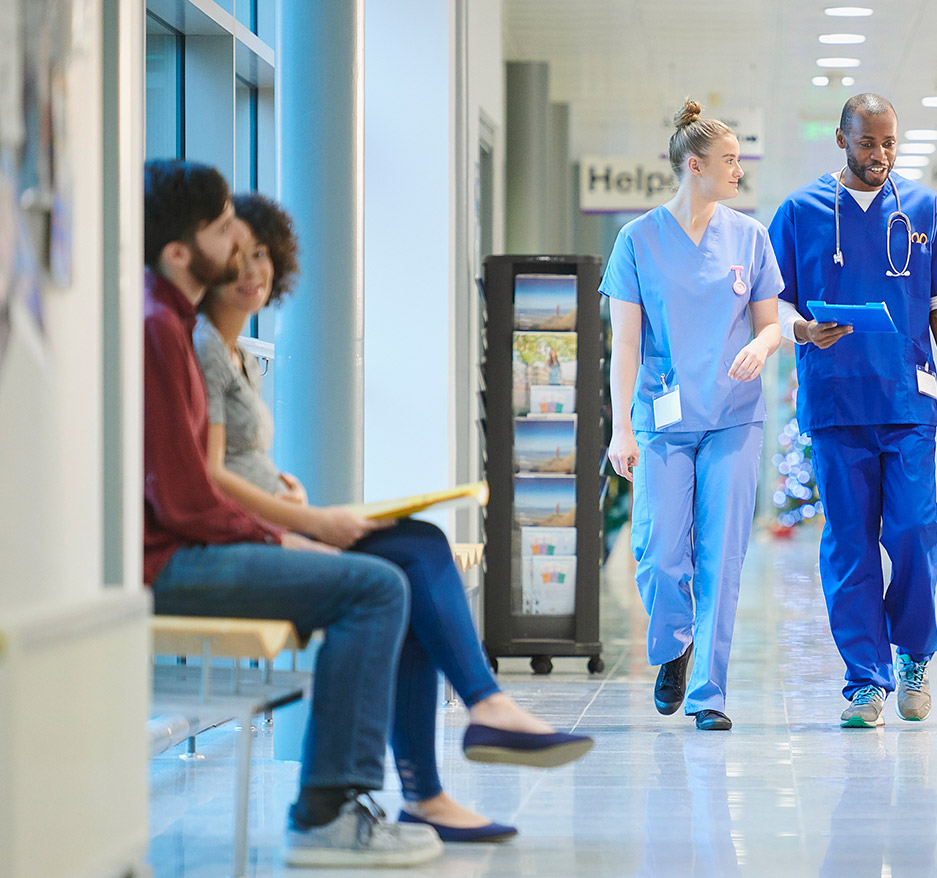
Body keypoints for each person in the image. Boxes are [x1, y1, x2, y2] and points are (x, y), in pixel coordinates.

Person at [193, 192, 594, 843]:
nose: (253, 271)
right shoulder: (207, 348)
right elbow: (206, 476)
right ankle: (470, 730)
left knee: (421, 547)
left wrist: (283, 484)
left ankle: (438, 781)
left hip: (277, 525)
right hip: (260, 543)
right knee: (410, 560)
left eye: (263, 256)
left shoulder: (238, 353)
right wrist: (306, 523)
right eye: (237, 258)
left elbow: (231, 462)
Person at [141, 159, 441, 868]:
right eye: (222, 231)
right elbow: (184, 498)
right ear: (181, 253)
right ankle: (328, 814)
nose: (239, 245)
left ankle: (348, 801)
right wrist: (282, 537)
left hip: (186, 550)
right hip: (171, 565)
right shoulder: (161, 329)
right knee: (375, 588)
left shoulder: (172, 325)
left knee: (395, 569)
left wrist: (281, 531)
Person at [768, 93, 937, 728]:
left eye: (890, 143)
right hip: (835, 402)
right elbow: (771, 306)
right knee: (850, 544)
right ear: (840, 139)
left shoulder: (922, 208)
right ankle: (865, 679)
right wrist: (803, 331)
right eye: (868, 143)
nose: (881, 155)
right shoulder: (800, 211)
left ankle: (913, 653)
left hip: (908, 399)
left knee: (915, 528)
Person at [601, 99, 782, 732]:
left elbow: (769, 325)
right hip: (663, 416)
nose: (739, 171)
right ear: (694, 165)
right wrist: (622, 426)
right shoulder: (638, 240)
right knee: (656, 552)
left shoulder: (750, 237)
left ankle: (709, 693)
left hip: (734, 416)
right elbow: (624, 342)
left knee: (721, 556)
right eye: (730, 160)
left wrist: (760, 347)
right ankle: (673, 645)